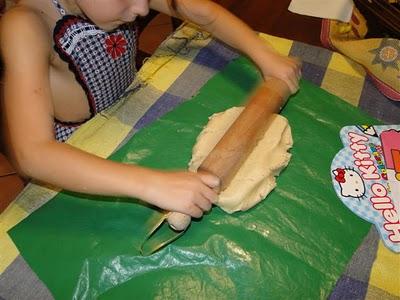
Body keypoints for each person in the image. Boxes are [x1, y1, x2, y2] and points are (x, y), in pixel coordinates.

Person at [0, 0, 301, 219]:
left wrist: (264, 56)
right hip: (75, 151)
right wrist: (151, 184)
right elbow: (33, 154)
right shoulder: (24, 25)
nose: (144, 9)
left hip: (127, 110)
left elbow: (204, 13)